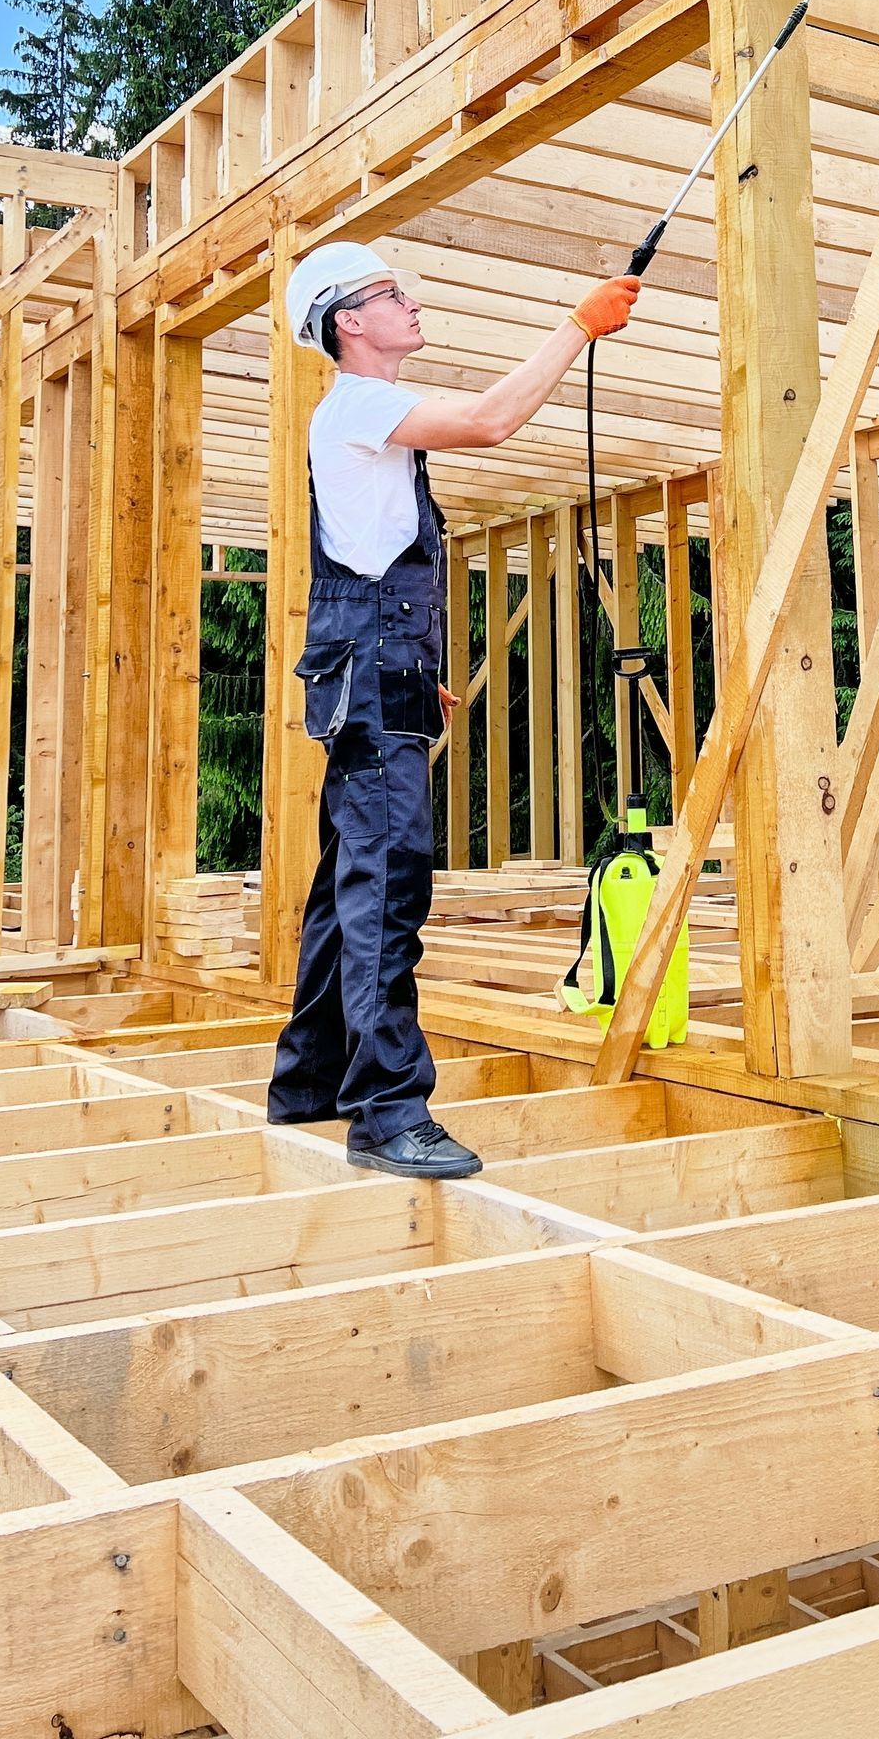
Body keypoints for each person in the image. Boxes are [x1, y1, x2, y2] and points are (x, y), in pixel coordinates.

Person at [267, 241, 641, 1177]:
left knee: (348, 882)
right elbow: (491, 419)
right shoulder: (357, 403)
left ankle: (309, 1084)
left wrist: (409, 666)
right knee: (388, 887)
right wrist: (577, 327)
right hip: (370, 670)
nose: (413, 302)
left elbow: (371, 560)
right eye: (391, 293)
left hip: (376, 670)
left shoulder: (365, 417)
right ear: (348, 321)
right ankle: (387, 1114)